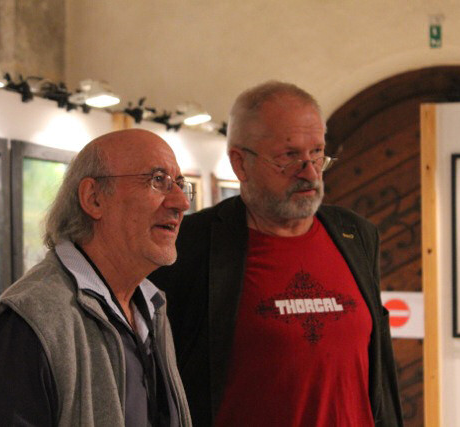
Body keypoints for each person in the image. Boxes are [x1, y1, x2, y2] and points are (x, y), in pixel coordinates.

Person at [149, 81, 403, 427]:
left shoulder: (356, 235)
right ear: (240, 164)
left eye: (317, 153)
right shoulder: (191, 245)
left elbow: (379, 373)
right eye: (289, 156)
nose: (310, 172)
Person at [0, 129, 193, 426]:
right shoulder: (22, 327)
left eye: (180, 184)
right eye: (158, 180)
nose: (181, 202)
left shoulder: (151, 307)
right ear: (94, 198)